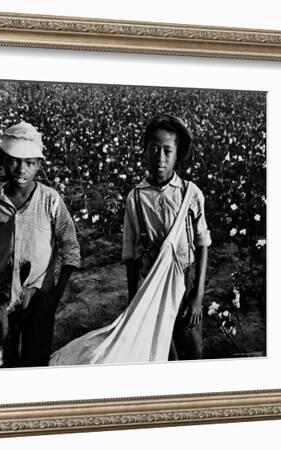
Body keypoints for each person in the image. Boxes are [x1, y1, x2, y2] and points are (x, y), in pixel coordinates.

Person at [0, 121, 81, 368]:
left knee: (36, 359)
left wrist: (55, 296)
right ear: (2, 160)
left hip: (39, 299)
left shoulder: (50, 200)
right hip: (3, 301)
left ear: (39, 165)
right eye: (13, 161)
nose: (21, 169)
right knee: (2, 361)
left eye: (29, 163)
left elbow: (70, 245)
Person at [122, 114, 211, 360]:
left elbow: (203, 243)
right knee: (162, 350)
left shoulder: (190, 193)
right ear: (145, 151)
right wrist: (133, 300)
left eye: (167, 151)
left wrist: (198, 297)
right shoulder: (136, 198)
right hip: (151, 283)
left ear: (176, 154)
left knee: (193, 347)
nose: (160, 158)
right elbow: (130, 253)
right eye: (154, 149)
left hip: (185, 281)